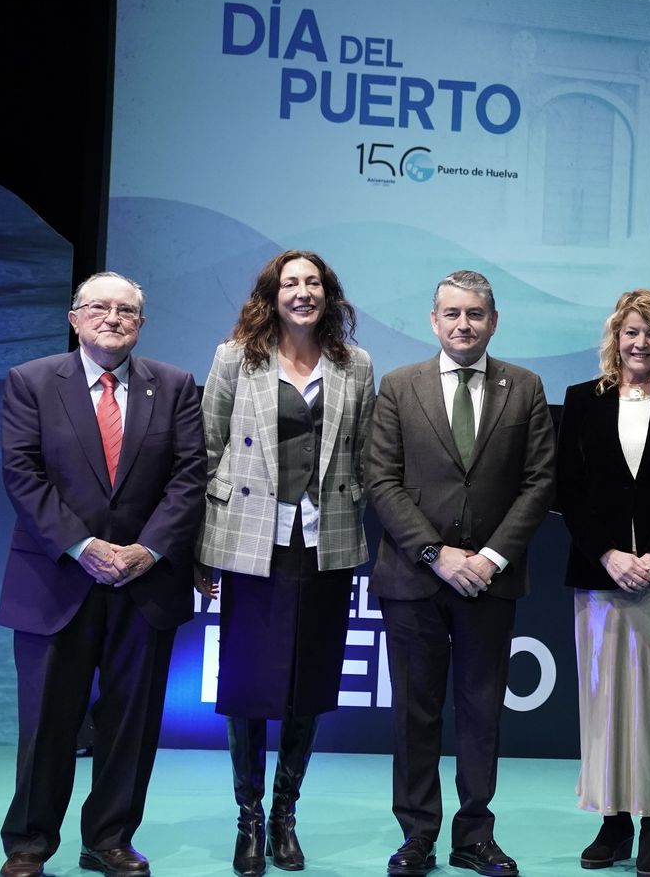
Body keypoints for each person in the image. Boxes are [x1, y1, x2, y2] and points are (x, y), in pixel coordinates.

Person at [0, 272, 205, 877]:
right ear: (74, 318)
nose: (113, 318)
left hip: (144, 582)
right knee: (46, 722)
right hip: (56, 579)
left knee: (130, 724)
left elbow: (190, 476)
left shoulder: (174, 385)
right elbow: (22, 473)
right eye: (99, 308)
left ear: (141, 322)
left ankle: (110, 839)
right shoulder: (32, 381)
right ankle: (29, 843)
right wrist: (83, 546)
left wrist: (149, 550)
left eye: (126, 310)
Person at [365, 269, 557, 877]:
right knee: (414, 713)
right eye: (452, 313)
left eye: (475, 314)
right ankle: (417, 835)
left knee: (481, 713)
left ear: (493, 321)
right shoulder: (399, 386)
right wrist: (436, 554)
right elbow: (381, 481)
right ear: (434, 320)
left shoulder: (525, 387)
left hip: (489, 580)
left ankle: (474, 835)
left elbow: (539, 483)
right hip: (415, 578)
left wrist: (490, 558)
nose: (463, 324)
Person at [193, 251, 375, 876]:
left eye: (313, 283)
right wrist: (204, 545)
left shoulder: (355, 365)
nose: (303, 293)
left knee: (310, 685)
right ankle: (248, 819)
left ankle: (285, 816)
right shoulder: (234, 358)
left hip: (326, 543)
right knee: (248, 686)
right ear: (272, 294)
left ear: (329, 294)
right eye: (291, 283)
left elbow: (364, 452)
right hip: (250, 542)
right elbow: (208, 447)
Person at [556, 290, 650, 876]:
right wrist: (608, 554)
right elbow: (569, 488)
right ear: (614, 339)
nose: (640, 343)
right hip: (599, 577)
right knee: (603, 704)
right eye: (630, 332)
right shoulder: (583, 399)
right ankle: (613, 822)